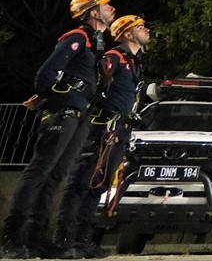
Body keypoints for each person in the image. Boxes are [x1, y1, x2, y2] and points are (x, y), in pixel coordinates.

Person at [0, 0, 116, 260]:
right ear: (93, 12)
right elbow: (46, 73)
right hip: (62, 114)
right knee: (39, 172)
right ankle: (11, 237)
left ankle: (36, 236)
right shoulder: (77, 38)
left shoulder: (94, 44)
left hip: (78, 117)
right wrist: (47, 97)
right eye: (106, 5)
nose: (112, 8)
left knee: (55, 176)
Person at [54, 15, 150, 259]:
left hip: (119, 132)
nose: (146, 30)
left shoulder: (135, 62)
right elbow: (95, 88)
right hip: (101, 129)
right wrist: (105, 112)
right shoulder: (114, 57)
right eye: (140, 27)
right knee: (81, 181)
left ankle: (83, 239)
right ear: (127, 34)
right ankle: (63, 239)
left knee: (101, 185)